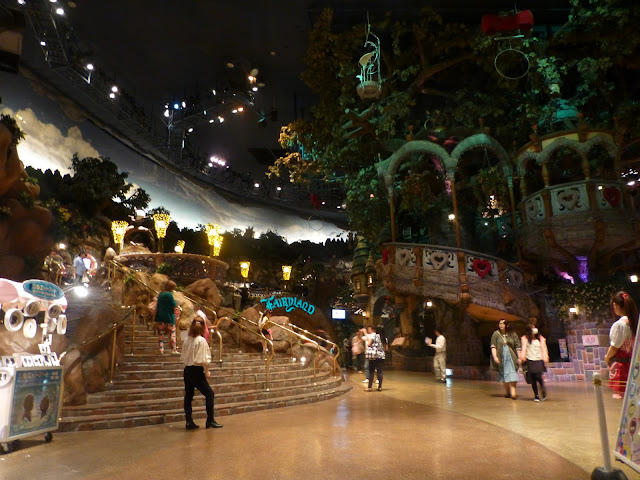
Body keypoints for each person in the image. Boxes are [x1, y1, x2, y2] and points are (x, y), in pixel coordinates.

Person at [180, 318, 222, 430]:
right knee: (209, 394)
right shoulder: (201, 341)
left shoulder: (187, 339)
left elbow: (183, 356)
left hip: (187, 370)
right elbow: (203, 359)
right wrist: (207, 370)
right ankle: (210, 420)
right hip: (197, 371)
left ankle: (189, 421)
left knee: (188, 396)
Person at [605, 291, 639, 399]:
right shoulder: (635, 321)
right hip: (634, 364)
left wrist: (607, 357)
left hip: (623, 366)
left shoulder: (621, 324)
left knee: (623, 400)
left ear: (616, 305)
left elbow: (615, 346)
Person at [490, 319, 521, 400]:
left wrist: (520, 357)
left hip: (511, 357)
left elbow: (518, 346)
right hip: (501, 357)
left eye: (502, 324)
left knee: (512, 373)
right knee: (503, 373)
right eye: (500, 323)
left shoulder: (512, 334)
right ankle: (508, 392)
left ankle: (513, 392)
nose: (501, 325)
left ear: (506, 325)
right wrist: (495, 357)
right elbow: (493, 346)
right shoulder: (496, 334)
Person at [520, 324, 549, 401]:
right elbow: (523, 348)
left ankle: (542, 389)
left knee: (538, 376)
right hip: (530, 360)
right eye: (532, 328)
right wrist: (522, 358)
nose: (534, 329)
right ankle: (536, 395)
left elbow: (544, 348)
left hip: (539, 360)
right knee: (533, 379)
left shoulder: (540, 339)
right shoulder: (525, 339)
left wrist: (545, 357)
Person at [155, 280, 178, 355]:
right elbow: (173, 304)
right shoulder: (169, 294)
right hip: (169, 317)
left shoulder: (160, 294)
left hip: (160, 316)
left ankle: (161, 349)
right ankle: (173, 349)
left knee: (161, 334)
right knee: (172, 333)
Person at [365, 324, 388, 392]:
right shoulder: (384, 338)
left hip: (373, 356)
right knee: (380, 372)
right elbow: (386, 348)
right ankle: (380, 387)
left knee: (371, 371)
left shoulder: (373, 335)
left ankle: (369, 387)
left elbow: (368, 344)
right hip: (381, 356)